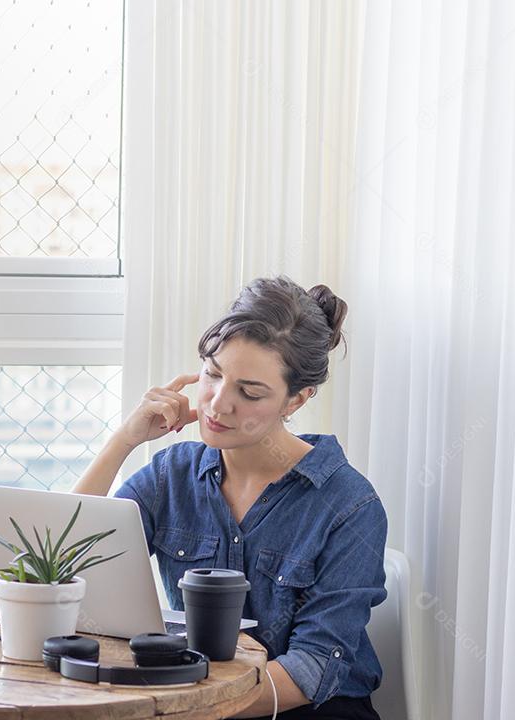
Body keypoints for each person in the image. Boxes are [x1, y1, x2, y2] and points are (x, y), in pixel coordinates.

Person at [72, 275, 387, 720]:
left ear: (296, 400)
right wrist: (124, 440)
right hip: (196, 698)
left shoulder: (350, 506)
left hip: (308, 709)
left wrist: (182, 708)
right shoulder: (171, 475)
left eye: (249, 391)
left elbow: (313, 667)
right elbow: (67, 562)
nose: (219, 405)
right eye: (213, 374)